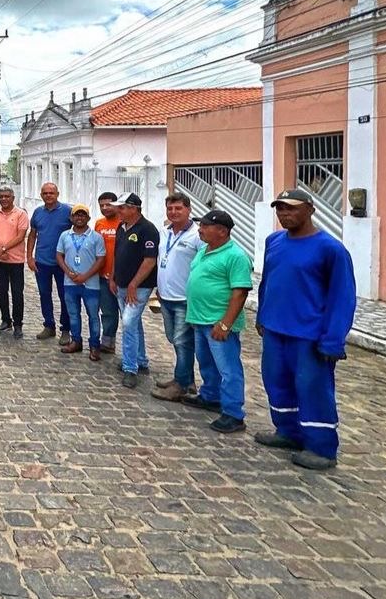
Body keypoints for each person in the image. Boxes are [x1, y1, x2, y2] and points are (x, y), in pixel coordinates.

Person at [255, 189, 356, 470]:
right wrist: (263, 315)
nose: (285, 214)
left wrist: (333, 340)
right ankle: (288, 432)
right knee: (277, 382)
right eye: (280, 209)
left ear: (310, 210)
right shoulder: (274, 241)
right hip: (276, 329)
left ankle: (321, 447)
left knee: (313, 388)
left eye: (292, 209)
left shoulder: (330, 249)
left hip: (309, 334)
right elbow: (268, 281)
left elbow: (342, 297)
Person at [183, 210, 253, 434]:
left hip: (219, 323)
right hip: (200, 319)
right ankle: (210, 396)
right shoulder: (204, 250)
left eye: (205, 226)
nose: (200, 229)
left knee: (228, 368)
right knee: (206, 362)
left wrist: (225, 324)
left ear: (222, 231)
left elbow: (240, 292)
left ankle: (234, 413)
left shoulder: (236, 256)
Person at [152, 192, 204, 403]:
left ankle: (180, 386)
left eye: (178, 208)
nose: (173, 212)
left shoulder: (197, 236)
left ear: (188, 209)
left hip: (184, 298)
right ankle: (185, 379)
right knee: (174, 339)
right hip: (165, 296)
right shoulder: (165, 232)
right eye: (170, 208)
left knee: (182, 341)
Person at [112, 193, 159, 389]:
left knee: (128, 322)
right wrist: (113, 277)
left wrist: (134, 284)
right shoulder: (121, 227)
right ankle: (140, 360)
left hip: (139, 287)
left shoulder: (148, 230)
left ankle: (130, 368)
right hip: (121, 284)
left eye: (121, 207)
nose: (118, 211)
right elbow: (117, 253)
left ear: (133, 208)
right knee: (134, 323)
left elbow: (149, 260)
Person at [55, 204, 107, 359]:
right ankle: (76, 341)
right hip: (69, 282)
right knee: (73, 314)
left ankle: (94, 345)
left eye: (83, 215)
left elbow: (101, 260)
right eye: (76, 215)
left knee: (93, 315)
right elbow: (59, 255)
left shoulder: (96, 237)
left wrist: (85, 276)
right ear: (71, 218)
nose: (79, 218)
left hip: (90, 284)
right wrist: (68, 272)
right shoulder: (65, 235)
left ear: (88, 218)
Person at [26, 183, 73, 342]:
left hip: (63, 263)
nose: (48, 195)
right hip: (42, 261)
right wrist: (30, 257)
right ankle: (49, 325)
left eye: (51, 193)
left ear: (57, 193)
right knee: (44, 294)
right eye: (45, 193)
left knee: (65, 296)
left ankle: (66, 329)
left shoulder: (67, 211)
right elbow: (32, 235)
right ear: (41, 195)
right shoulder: (38, 212)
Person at [0, 186, 28, 338]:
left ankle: (18, 324)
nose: (4, 199)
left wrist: (2, 249)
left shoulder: (21, 214)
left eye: (6, 196)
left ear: (13, 198)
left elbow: (20, 236)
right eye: (1, 196)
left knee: (17, 293)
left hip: (16, 261)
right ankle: (6, 320)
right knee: (1, 291)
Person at [94, 192, 121, 353]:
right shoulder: (99, 224)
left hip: (121, 277)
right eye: (102, 205)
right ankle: (108, 342)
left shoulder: (124, 223)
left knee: (128, 316)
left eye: (108, 204)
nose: (105, 208)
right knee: (108, 310)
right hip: (102, 275)